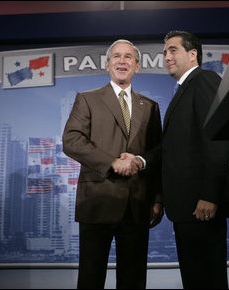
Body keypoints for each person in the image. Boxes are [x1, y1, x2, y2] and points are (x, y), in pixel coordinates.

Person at [62, 39, 163, 289]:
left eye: (128, 57)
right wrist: (111, 162)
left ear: (137, 66)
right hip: (98, 201)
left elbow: (158, 153)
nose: (122, 61)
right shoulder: (87, 99)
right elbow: (71, 140)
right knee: (91, 278)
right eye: (116, 56)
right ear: (107, 65)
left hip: (138, 205)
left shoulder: (150, 106)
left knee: (133, 279)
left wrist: (158, 198)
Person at [161, 31, 229, 288]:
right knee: (195, 279)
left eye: (173, 50)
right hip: (186, 207)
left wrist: (210, 195)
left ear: (192, 54)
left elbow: (219, 139)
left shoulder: (204, 80)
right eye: (165, 52)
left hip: (201, 205)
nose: (167, 56)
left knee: (208, 278)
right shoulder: (184, 89)